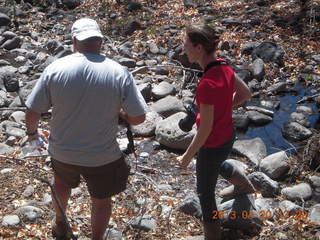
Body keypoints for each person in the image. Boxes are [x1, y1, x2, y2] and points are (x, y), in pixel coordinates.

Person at [25, 18, 148, 240]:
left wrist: (33, 135)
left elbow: (33, 110)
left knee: (61, 185)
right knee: (101, 200)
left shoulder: (55, 68)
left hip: (62, 151)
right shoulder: (118, 72)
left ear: (74, 41)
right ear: (100, 41)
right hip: (102, 155)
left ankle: (61, 223)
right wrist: (121, 114)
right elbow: (139, 118)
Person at [177, 23, 255, 240]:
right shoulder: (224, 65)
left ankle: (213, 236)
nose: (183, 49)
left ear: (199, 47)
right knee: (218, 163)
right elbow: (246, 93)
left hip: (211, 143)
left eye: (186, 44)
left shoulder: (207, 83)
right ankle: (245, 186)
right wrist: (225, 108)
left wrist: (187, 155)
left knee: (205, 193)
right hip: (228, 135)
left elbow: (205, 130)